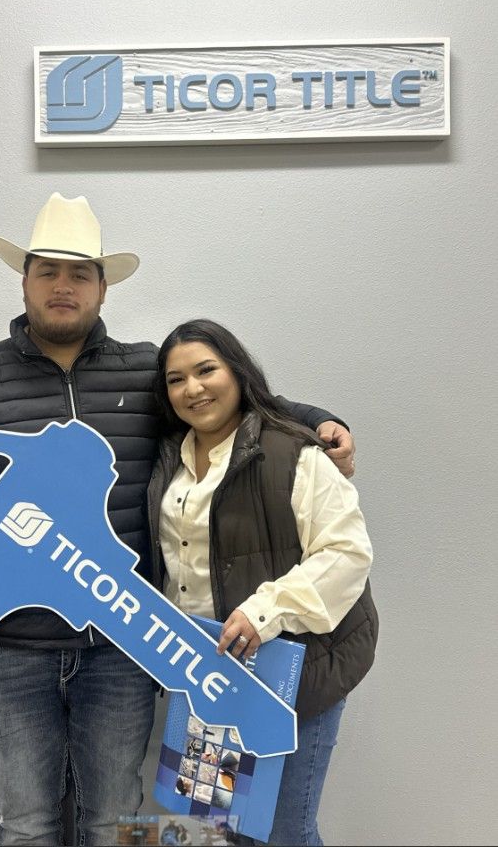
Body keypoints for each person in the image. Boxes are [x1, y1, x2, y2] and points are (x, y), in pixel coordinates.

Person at [0, 194, 356, 846]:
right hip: (11, 650)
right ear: (24, 281)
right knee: (24, 826)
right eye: (47, 270)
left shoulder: (145, 371)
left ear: (103, 287)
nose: (63, 286)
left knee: (112, 821)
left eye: (79, 273)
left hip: (122, 652)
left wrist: (320, 421)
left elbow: (229, 400)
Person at [147, 320, 378, 847]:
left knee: (283, 831)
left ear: (237, 371)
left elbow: (346, 553)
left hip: (293, 673)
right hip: (210, 678)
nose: (193, 388)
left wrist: (264, 612)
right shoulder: (170, 458)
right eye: (176, 379)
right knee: (226, 828)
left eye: (206, 370)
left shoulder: (293, 452)